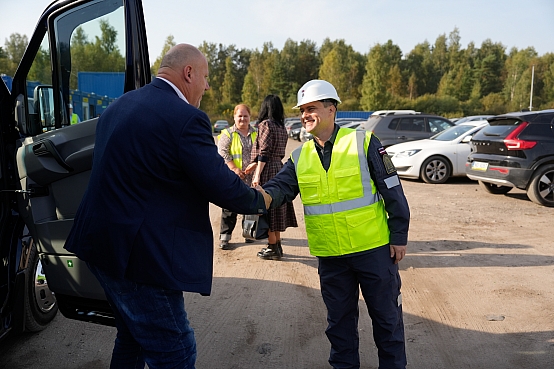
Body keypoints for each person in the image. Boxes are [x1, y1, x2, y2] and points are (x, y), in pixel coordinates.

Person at [63, 44, 270, 369]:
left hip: (98, 247)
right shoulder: (186, 119)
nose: (207, 86)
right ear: (188, 73)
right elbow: (221, 186)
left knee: (131, 336)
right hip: (139, 260)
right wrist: (262, 199)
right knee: (176, 352)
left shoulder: (120, 106)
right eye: (205, 77)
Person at [261, 80, 410, 369]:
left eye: (311, 108)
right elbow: (278, 188)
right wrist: (250, 197)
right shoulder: (300, 155)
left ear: (332, 109)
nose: (305, 115)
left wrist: (399, 235)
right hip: (331, 257)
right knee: (339, 327)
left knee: (387, 321)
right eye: (302, 110)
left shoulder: (363, 142)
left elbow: (392, 188)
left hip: (373, 251)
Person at [245, 94, 297, 260]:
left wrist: (257, 175)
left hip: (267, 169)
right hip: (278, 167)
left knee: (267, 207)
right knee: (277, 209)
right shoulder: (281, 127)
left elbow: (265, 152)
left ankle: (272, 247)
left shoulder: (266, 125)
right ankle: (277, 245)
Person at [217, 103, 257, 249]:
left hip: (251, 177)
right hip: (232, 178)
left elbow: (261, 152)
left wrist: (255, 165)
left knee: (250, 206)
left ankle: (248, 234)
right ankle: (225, 238)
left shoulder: (256, 133)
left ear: (250, 117)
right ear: (234, 117)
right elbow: (223, 153)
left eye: (245, 116)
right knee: (229, 209)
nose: (242, 119)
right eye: (239, 116)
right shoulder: (227, 134)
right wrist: (234, 168)